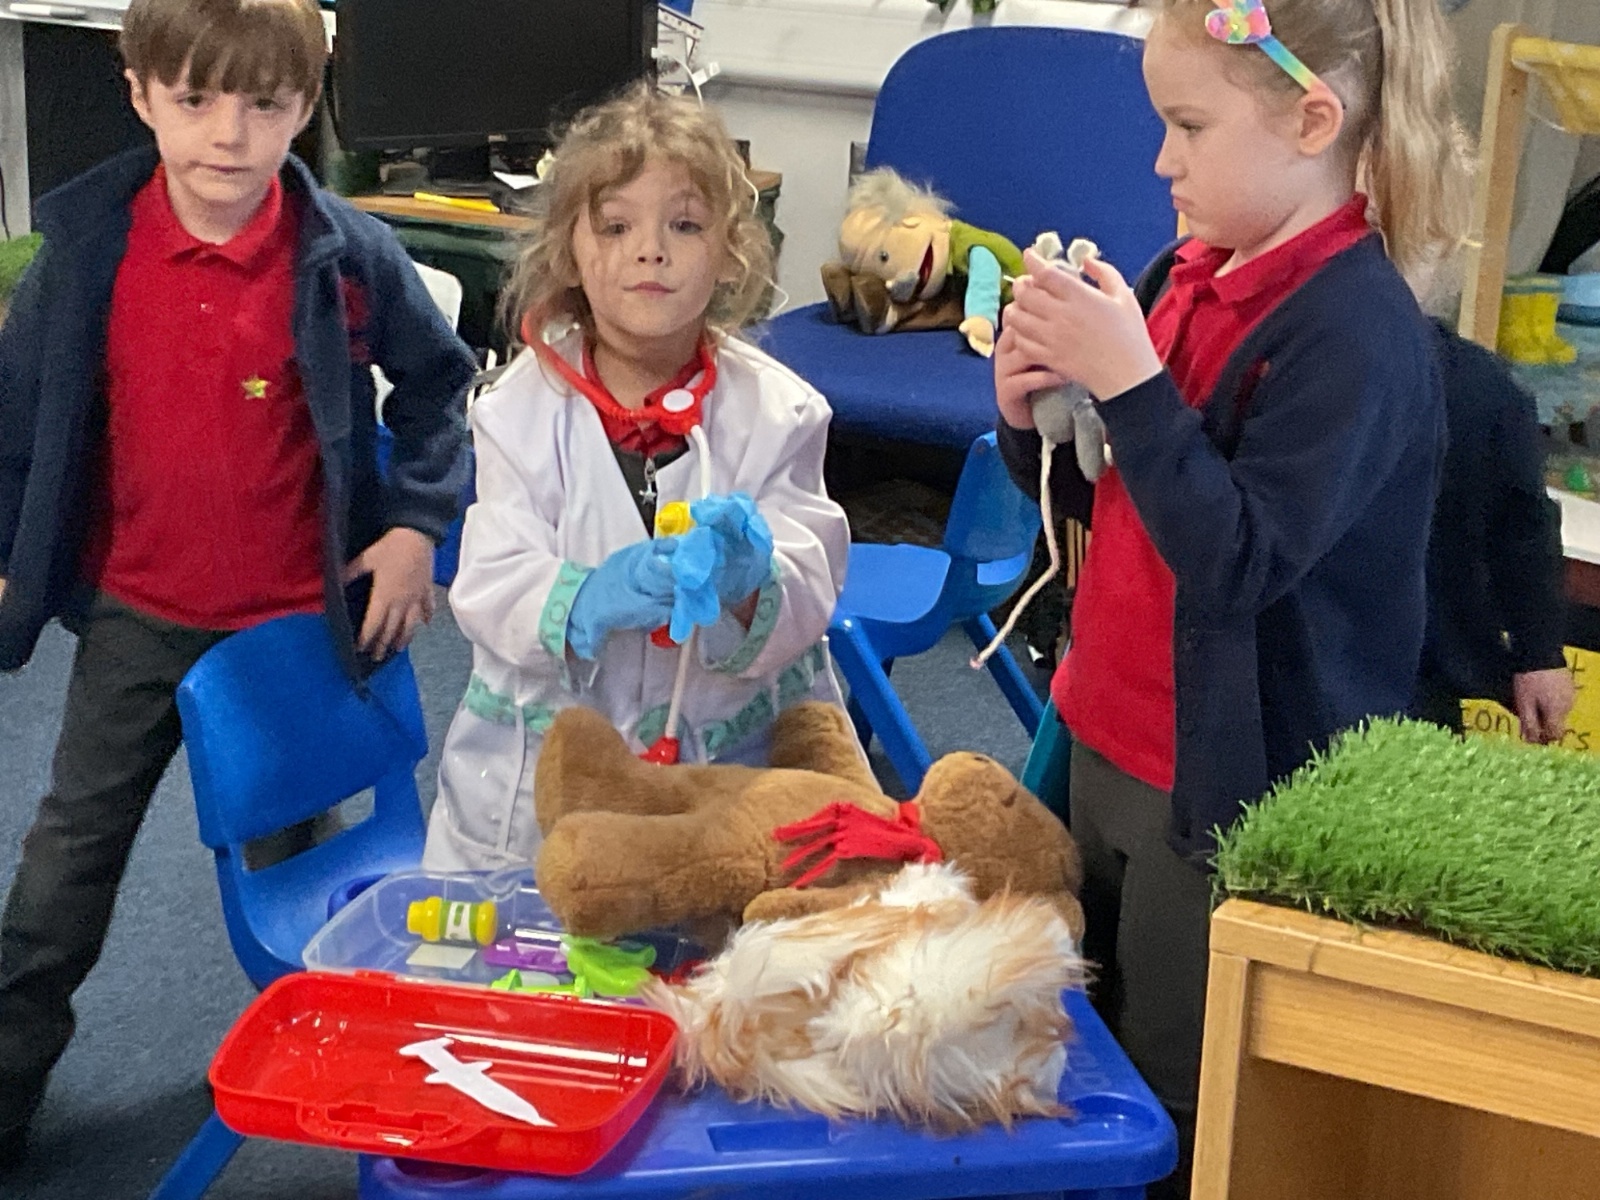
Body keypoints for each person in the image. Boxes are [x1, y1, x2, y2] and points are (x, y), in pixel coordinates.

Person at [993, 0, 1471, 1192]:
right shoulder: (1184, 274)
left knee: (1178, 1089)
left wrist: (1132, 386)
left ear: (1312, 121)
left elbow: (1240, 559)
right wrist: (1031, 416)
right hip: (1105, 732)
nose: (1162, 161)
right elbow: (1115, 502)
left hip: (1223, 784)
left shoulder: (1357, 334)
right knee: (1070, 1031)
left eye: (1189, 127)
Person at [0, 0, 475, 1164]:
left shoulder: (348, 256)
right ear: (138, 92)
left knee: (312, 880)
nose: (228, 133)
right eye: (194, 98)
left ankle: (351, 1087)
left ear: (305, 106)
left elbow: (438, 388)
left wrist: (415, 529)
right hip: (134, 617)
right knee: (63, 869)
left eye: (264, 103)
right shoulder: (88, 255)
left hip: (290, 634)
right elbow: (16, 424)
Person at [421, 84, 852, 873]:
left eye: (685, 225)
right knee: (541, 929)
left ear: (731, 253)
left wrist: (753, 581)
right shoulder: (515, 412)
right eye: (616, 226)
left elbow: (812, 578)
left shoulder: (780, 413)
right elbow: (490, 581)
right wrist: (586, 597)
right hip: (541, 778)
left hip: (721, 764)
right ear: (569, 251)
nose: (650, 250)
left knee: (716, 925)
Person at [1415, 322, 1575, 745]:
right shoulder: (1479, 379)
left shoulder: (1479, 383)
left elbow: (1522, 525)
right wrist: (1539, 655)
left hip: (1423, 658)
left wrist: (1539, 654)